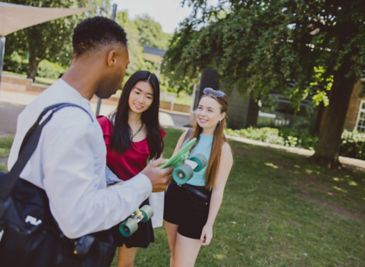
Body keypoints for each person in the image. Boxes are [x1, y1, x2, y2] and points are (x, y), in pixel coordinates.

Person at [6, 16, 171, 258]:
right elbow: (77, 217)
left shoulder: (45, 101)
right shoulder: (77, 123)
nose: (122, 79)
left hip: (21, 238)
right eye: (125, 67)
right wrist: (145, 182)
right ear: (111, 57)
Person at [97, 70, 165, 267]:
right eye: (137, 92)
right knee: (98, 258)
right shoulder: (105, 125)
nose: (141, 100)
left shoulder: (155, 134)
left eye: (148, 96)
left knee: (126, 264)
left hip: (135, 204)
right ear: (128, 91)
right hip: (107, 200)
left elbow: (152, 170)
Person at [163, 87, 234, 267]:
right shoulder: (186, 135)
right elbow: (172, 167)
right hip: (174, 198)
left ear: (221, 116)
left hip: (196, 206)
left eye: (209, 110)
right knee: (175, 256)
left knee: (183, 264)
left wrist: (209, 225)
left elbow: (218, 190)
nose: (202, 113)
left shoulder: (223, 149)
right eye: (200, 108)